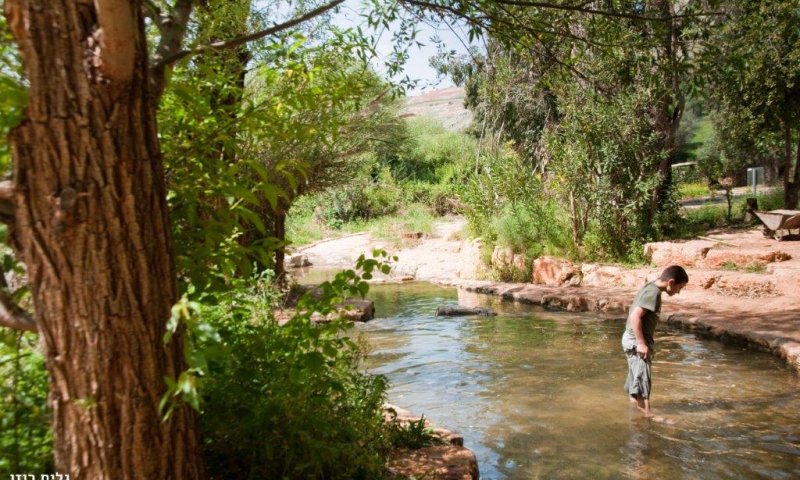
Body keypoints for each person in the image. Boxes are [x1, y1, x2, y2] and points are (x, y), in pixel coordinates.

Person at [622, 265, 688, 418]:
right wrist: (641, 343)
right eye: (680, 287)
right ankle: (649, 416)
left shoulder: (651, 287)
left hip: (631, 339)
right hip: (635, 342)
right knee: (643, 381)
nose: (679, 292)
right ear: (671, 282)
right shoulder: (654, 293)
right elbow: (635, 316)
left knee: (636, 382)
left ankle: (636, 415)